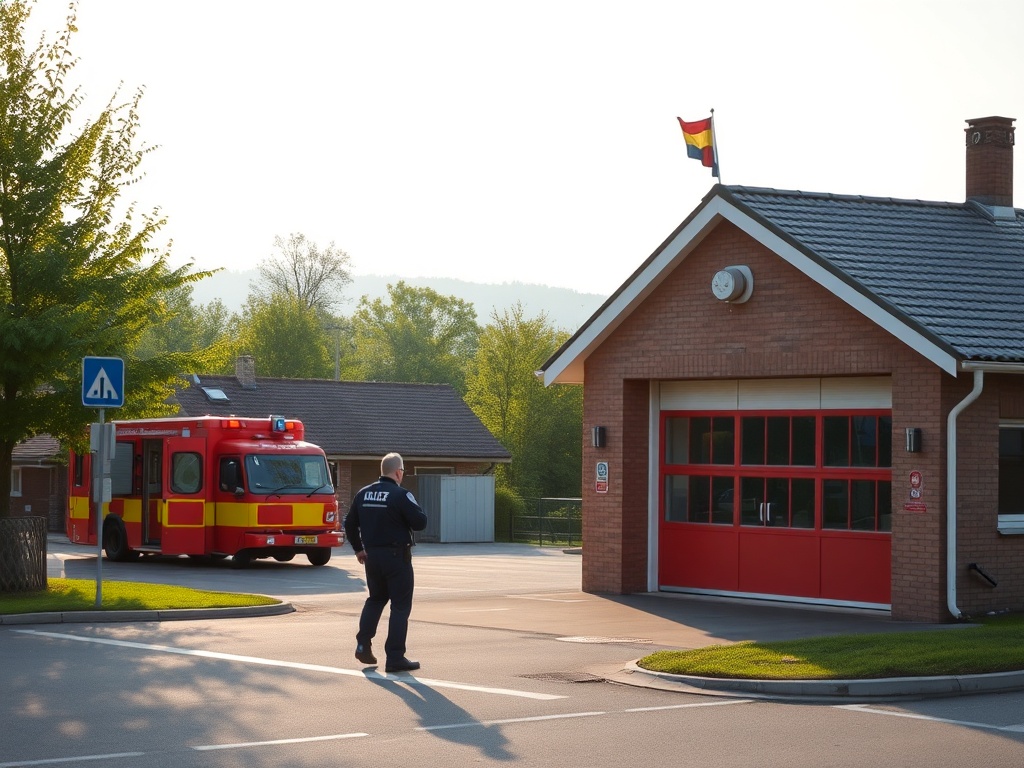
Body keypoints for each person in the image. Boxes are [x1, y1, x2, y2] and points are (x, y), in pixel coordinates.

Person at [344, 452, 428, 673]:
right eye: (403, 471)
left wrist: (358, 549)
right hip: (396, 557)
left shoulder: (363, 494)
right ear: (398, 471)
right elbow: (420, 523)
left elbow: (349, 524)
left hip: (372, 557)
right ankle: (395, 657)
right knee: (400, 606)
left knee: (375, 599)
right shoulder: (400, 494)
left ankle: (363, 644)